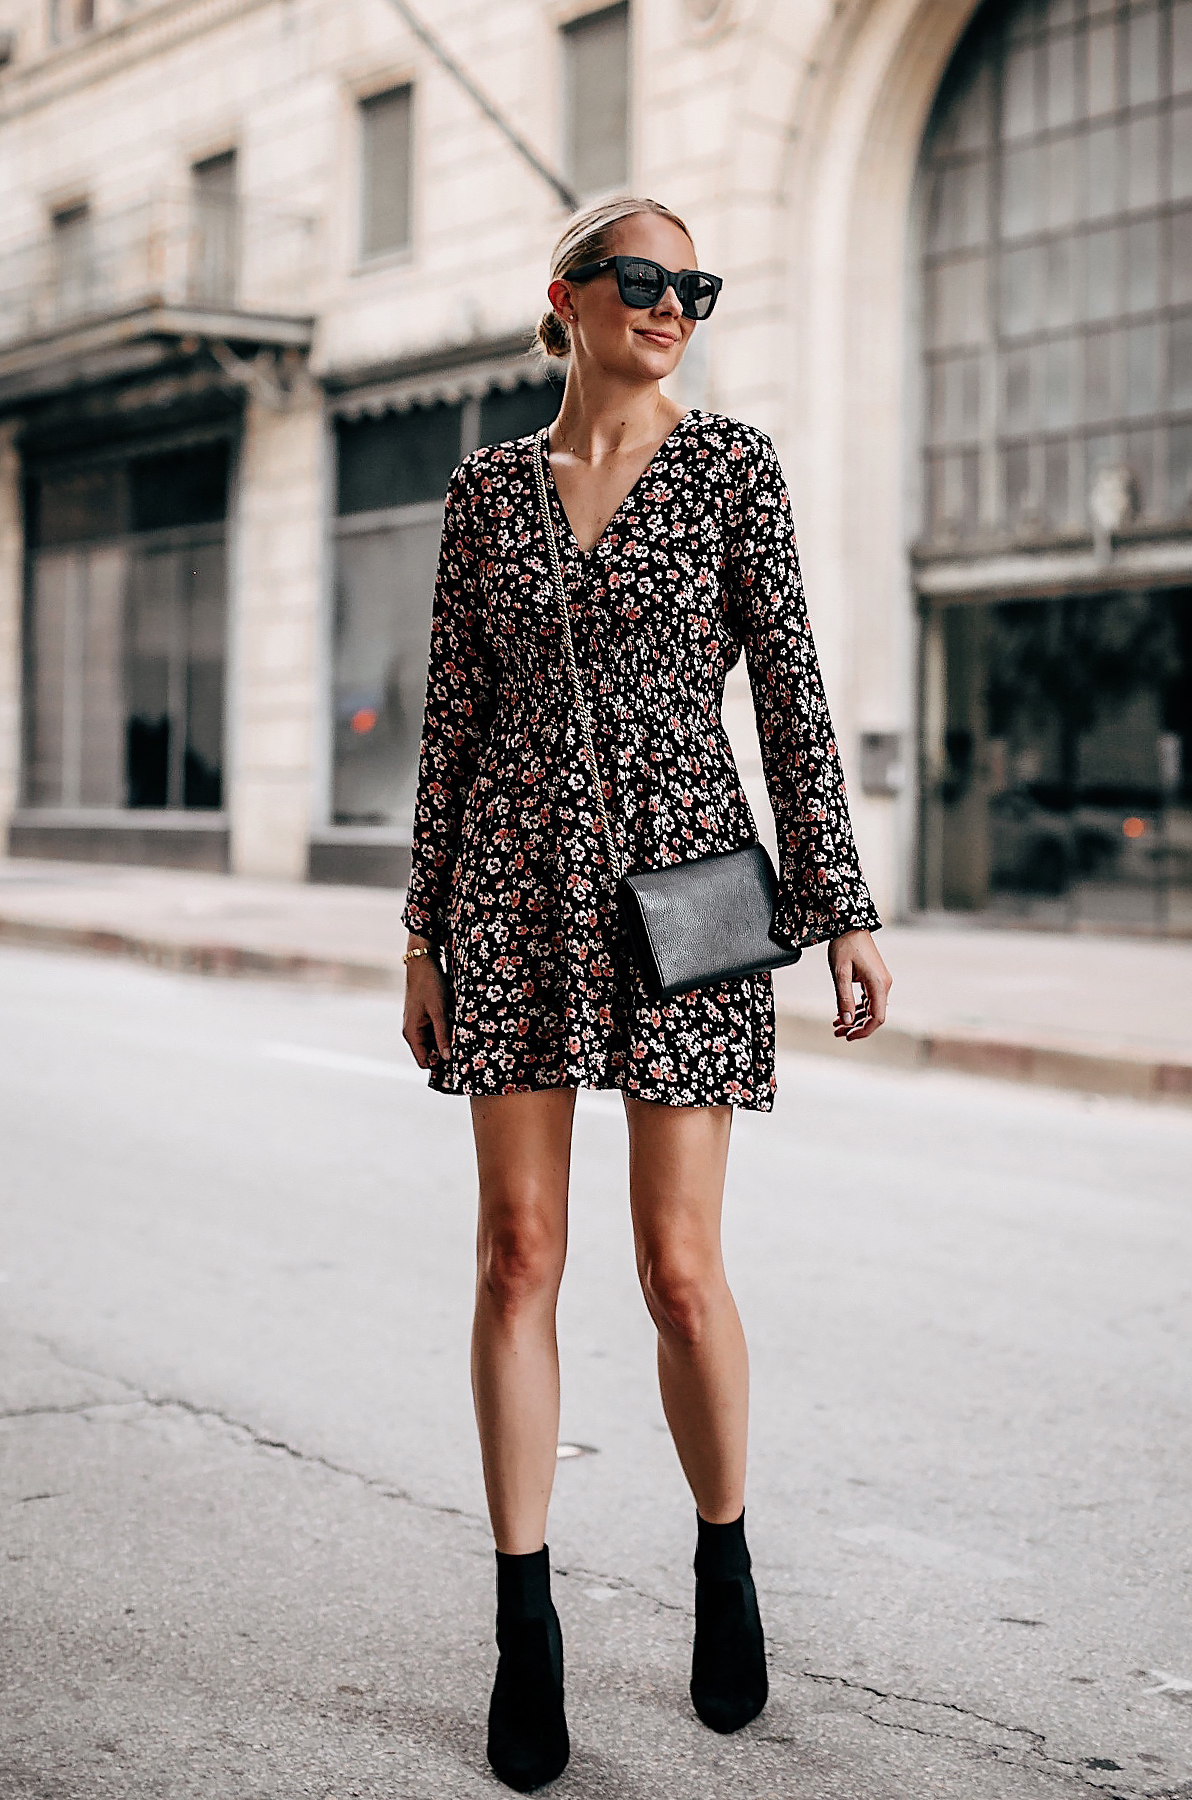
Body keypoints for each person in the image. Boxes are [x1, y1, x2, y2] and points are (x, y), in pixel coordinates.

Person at [402, 194, 891, 1792]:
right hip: (511, 890)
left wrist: (842, 913)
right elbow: (451, 723)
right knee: (515, 1252)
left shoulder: (737, 470)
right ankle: (524, 1621)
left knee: (681, 1270)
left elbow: (798, 694)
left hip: (689, 895)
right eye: (645, 278)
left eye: (696, 284)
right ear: (568, 298)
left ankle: (725, 1559)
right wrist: (424, 931)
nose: (675, 303)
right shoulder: (484, 492)